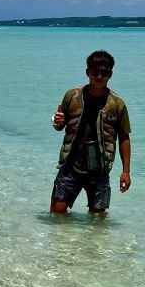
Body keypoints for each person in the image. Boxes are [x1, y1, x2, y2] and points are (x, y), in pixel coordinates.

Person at [50, 50, 131, 214]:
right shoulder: (72, 96)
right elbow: (60, 124)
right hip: (70, 167)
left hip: (99, 170)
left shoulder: (117, 104)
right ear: (88, 72)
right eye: (95, 72)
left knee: (98, 224)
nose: (99, 76)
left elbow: (124, 137)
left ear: (111, 75)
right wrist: (56, 121)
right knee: (57, 215)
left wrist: (126, 172)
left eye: (105, 72)